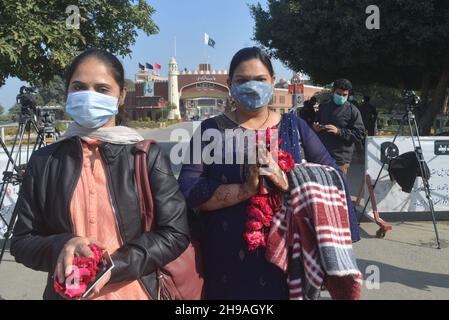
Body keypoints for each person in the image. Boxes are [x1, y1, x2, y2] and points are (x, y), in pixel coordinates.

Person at [178, 47, 360, 300]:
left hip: (287, 257)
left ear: (273, 81)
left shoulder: (294, 127)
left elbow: (334, 178)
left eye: (260, 80)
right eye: (242, 81)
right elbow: (188, 188)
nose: (251, 87)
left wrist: (287, 179)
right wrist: (244, 190)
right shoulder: (212, 130)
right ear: (230, 84)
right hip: (224, 257)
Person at [10, 49, 190, 300]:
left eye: (102, 89)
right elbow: (22, 241)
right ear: (68, 92)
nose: (89, 96)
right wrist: (61, 245)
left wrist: (113, 267)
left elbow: (175, 233)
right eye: (79, 87)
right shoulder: (45, 161)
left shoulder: (145, 156)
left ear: (121, 96)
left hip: (135, 292)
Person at [313, 79, 365, 175]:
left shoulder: (353, 111)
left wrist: (339, 131)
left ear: (348, 95)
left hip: (340, 159)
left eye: (344, 95)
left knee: (338, 188)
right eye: (338, 94)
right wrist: (316, 128)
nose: (341, 97)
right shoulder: (324, 107)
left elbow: (359, 133)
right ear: (333, 92)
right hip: (322, 155)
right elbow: (316, 122)